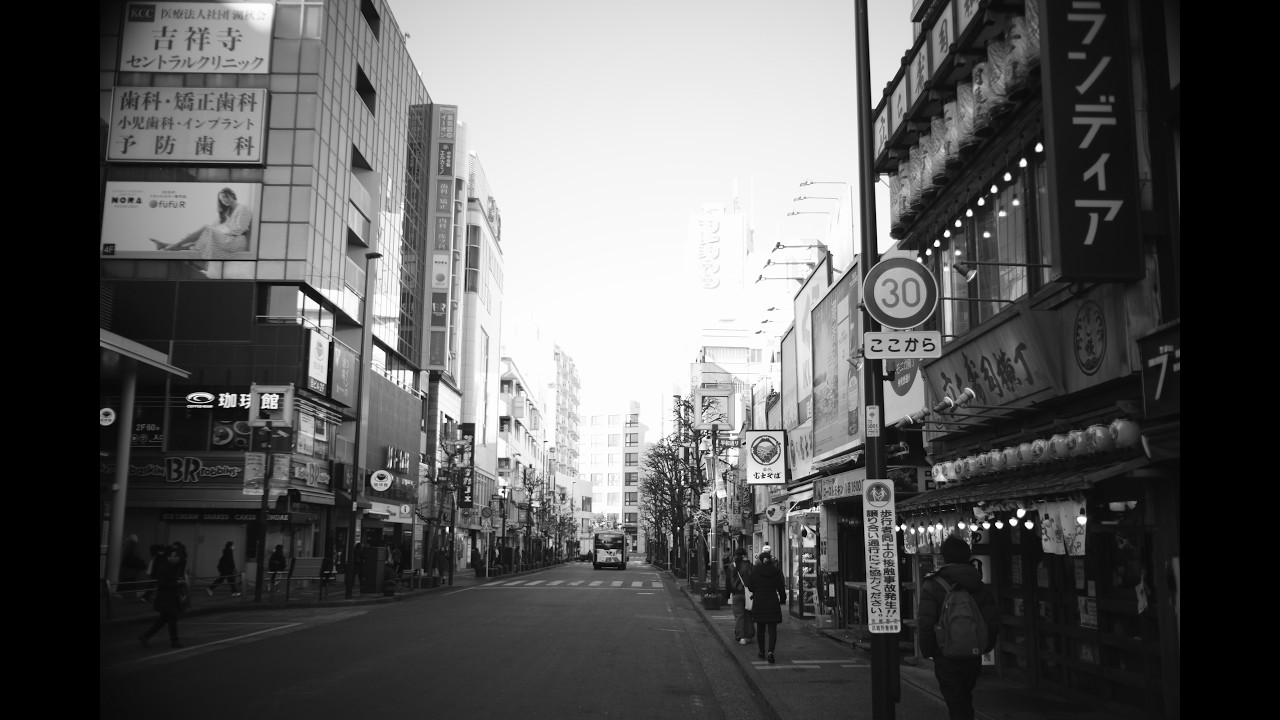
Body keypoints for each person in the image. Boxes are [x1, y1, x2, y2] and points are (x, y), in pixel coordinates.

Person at [917, 536, 1000, 720]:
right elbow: (992, 621)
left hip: (945, 653)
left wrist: (928, 650)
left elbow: (926, 622)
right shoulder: (980, 585)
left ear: (944, 557)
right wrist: (985, 646)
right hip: (973, 653)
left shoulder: (932, 585)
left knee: (956, 702)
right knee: (965, 697)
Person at [150, 187, 253, 259]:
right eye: (222, 200)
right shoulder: (227, 214)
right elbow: (218, 227)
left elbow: (239, 229)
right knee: (201, 236)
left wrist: (219, 230)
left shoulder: (243, 208)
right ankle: (168, 245)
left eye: (225, 197)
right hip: (228, 239)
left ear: (231, 195)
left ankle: (174, 245)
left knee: (205, 229)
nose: (224, 201)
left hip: (237, 242)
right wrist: (218, 230)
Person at [138, 546, 188, 649]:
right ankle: (174, 641)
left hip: (172, 598)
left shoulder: (176, 568)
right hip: (166, 599)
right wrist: (177, 583)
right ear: (169, 557)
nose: (177, 558)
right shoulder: (164, 568)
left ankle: (145, 636)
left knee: (163, 620)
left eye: (177, 556)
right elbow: (162, 584)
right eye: (174, 556)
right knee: (172, 620)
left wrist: (180, 588)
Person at [745, 548, 787, 664]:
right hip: (772, 601)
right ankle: (770, 652)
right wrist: (783, 599)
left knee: (761, 628)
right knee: (772, 629)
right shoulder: (776, 571)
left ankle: (762, 651)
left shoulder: (755, 571)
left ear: (760, 560)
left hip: (759, 602)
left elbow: (750, 587)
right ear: (770, 560)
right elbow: (781, 588)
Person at [724, 547, 756, 646]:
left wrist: (727, 594)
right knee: (748, 616)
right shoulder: (750, 566)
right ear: (744, 555)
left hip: (736, 594)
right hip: (748, 594)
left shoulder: (731, 566)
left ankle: (741, 637)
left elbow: (728, 582)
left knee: (739, 617)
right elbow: (754, 579)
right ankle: (748, 636)